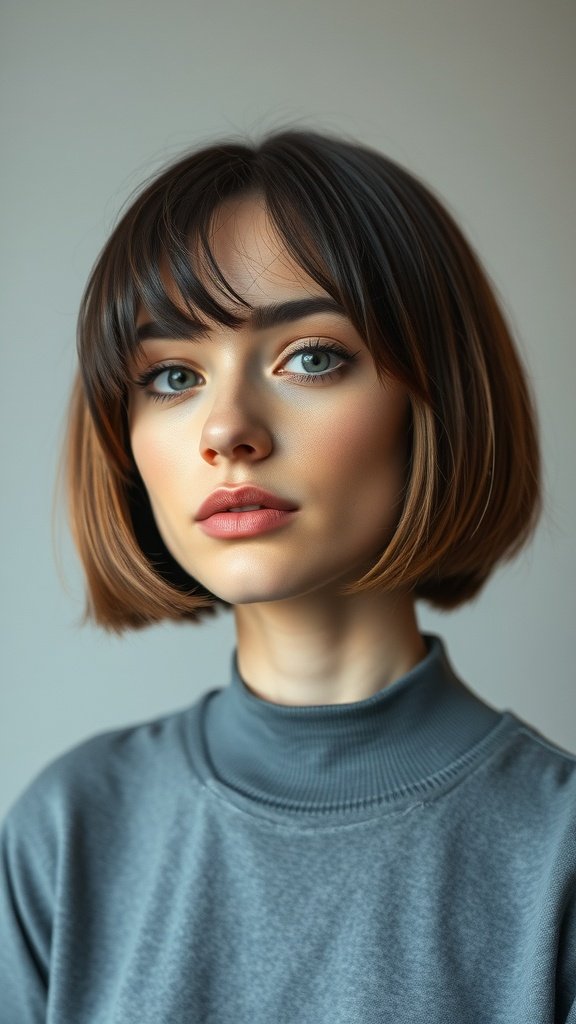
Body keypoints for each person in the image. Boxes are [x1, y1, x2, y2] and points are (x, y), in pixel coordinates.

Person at [0, 127, 574, 1024]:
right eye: (173, 375)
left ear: (438, 401)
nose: (226, 428)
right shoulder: (67, 833)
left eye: (310, 357)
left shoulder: (560, 857)